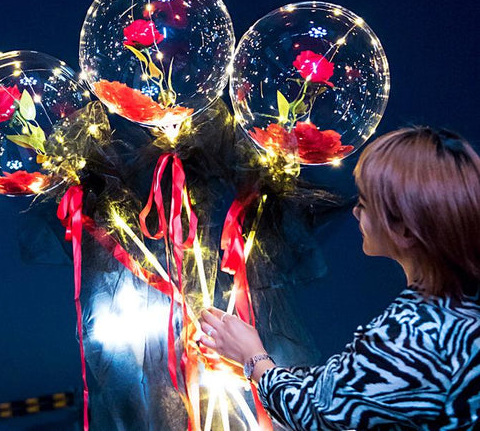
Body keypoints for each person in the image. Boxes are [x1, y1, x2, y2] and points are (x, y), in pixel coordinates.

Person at [200, 127, 480, 430]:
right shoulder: (459, 308)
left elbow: (322, 412)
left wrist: (253, 358)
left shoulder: (415, 333)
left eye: (365, 204)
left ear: (405, 229)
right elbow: (345, 383)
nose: (356, 212)